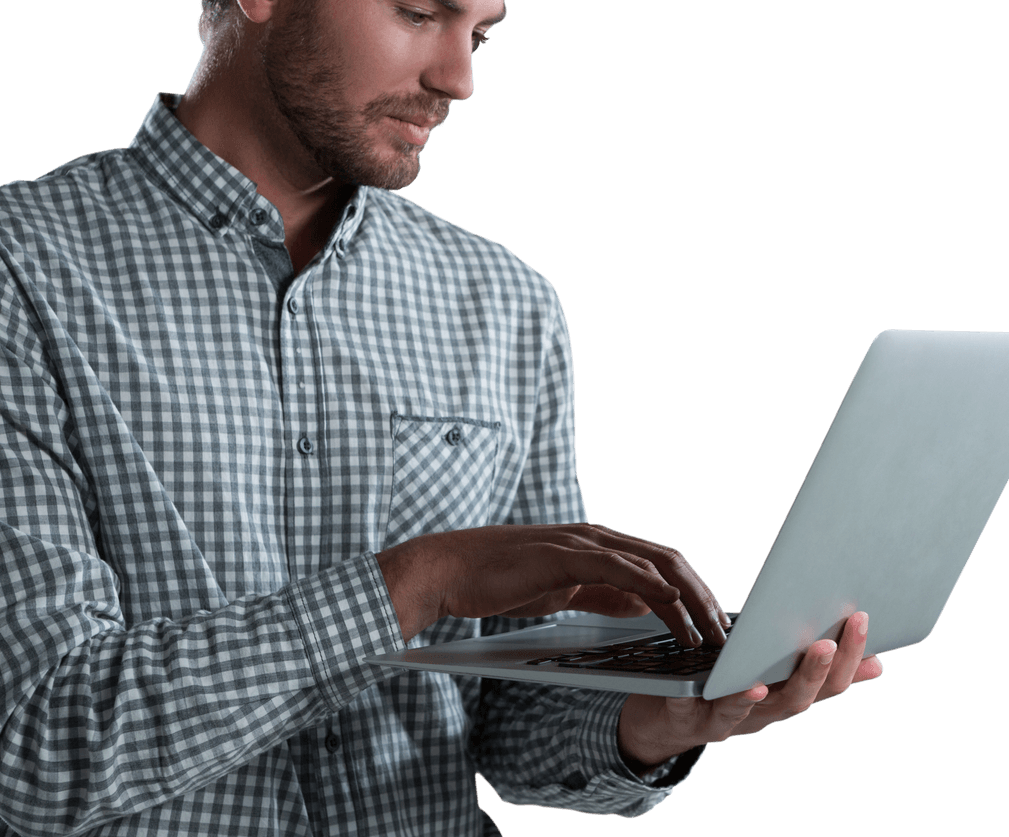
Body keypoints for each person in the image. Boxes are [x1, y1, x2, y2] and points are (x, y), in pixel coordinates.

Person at [0, 1, 883, 834]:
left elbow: (505, 722)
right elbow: (33, 749)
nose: (459, 78)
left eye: (483, 33)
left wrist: (659, 718)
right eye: (418, 13)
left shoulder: (505, 304)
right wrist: (418, 583)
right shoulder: (23, 270)